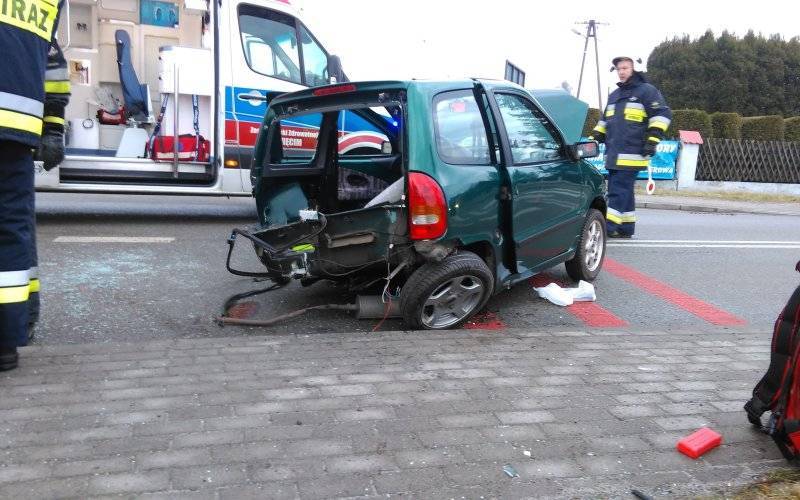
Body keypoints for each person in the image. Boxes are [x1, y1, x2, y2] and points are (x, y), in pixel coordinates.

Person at [1, 1, 71, 371]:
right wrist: (54, 126)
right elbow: (55, 65)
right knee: (11, 231)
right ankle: (8, 340)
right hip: (16, 132)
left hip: (18, 133)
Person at [590, 56, 671, 238]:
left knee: (617, 192)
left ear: (634, 69)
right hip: (613, 154)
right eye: (619, 69)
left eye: (625, 68)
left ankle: (607, 228)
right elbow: (605, 120)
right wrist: (596, 135)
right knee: (623, 191)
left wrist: (652, 140)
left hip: (633, 153)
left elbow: (662, 115)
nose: (621, 71)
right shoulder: (614, 95)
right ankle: (626, 227)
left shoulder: (647, 91)